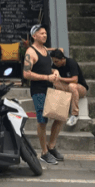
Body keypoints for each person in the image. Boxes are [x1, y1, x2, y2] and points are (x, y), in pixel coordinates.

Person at [23, 24, 64, 165]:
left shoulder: (46, 50)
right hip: (38, 90)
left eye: (45, 33)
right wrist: (47, 77)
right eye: (41, 33)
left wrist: (55, 72)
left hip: (50, 88)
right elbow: (26, 73)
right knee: (42, 121)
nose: (45, 35)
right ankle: (44, 152)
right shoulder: (31, 52)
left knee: (60, 117)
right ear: (34, 36)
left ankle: (51, 146)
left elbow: (48, 67)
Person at [50, 49, 89, 127]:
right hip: (67, 88)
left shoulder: (71, 63)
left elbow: (75, 79)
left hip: (80, 88)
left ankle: (74, 115)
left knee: (72, 86)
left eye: (56, 61)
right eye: (54, 62)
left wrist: (60, 79)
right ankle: (60, 110)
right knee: (55, 82)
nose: (55, 63)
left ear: (62, 59)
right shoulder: (55, 66)